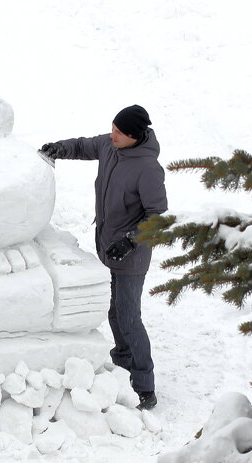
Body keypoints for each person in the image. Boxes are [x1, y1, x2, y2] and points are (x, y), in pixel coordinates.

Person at [40, 105, 168, 410]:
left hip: (131, 254)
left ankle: (144, 386)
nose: (112, 135)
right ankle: (122, 364)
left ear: (134, 137)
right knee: (113, 311)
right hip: (106, 245)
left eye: (119, 132)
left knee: (129, 316)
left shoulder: (148, 167)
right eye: (112, 128)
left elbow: (157, 215)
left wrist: (129, 242)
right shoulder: (111, 146)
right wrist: (59, 148)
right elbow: (84, 145)